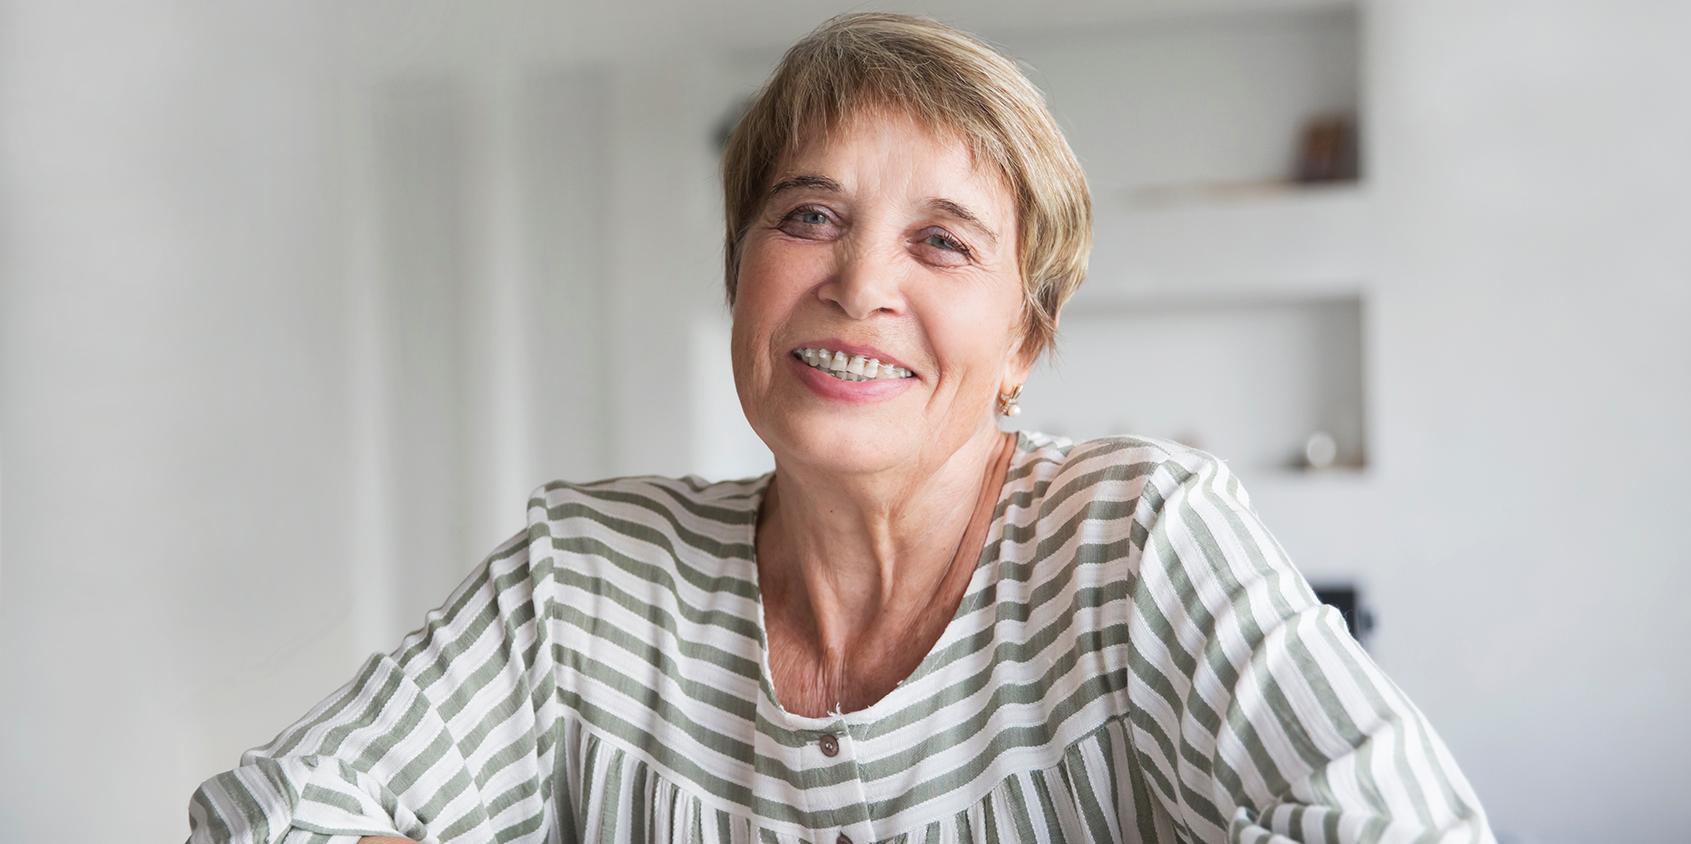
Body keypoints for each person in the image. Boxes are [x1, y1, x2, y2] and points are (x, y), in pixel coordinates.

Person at [188, 12, 1493, 844]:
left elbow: (1401, 828)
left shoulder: (1136, 540)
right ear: (741, 271)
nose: (860, 284)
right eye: (807, 216)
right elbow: (271, 817)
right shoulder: (586, 577)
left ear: (1024, 341)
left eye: (941, 242)